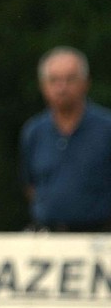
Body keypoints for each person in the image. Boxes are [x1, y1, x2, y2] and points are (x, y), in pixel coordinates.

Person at [20, 46, 111, 232]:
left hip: (100, 237)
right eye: (54, 80)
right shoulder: (34, 132)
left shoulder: (106, 129)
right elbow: (31, 186)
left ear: (86, 82)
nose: (62, 88)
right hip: (49, 238)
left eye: (70, 79)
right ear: (43, 86)